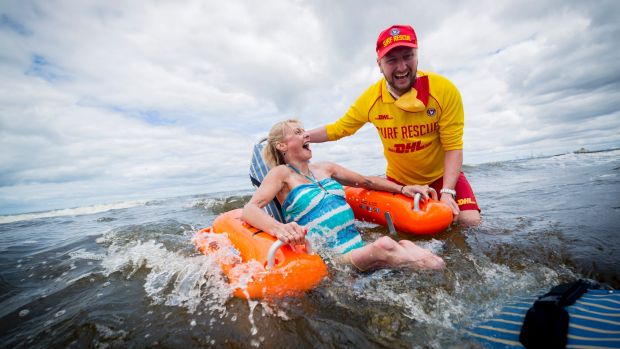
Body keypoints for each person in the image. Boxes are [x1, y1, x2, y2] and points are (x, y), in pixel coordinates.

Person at [306, 24, 481, 226]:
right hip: (399, 182)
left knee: (470, 222)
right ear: (379, 64)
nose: (401, 67)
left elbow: (453, 145)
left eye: (407, 56)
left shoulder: (443, 90)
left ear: (417, 56)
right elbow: (338, 129)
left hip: (443, 177)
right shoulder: (371, 99)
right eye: (391, 60)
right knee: (407, 233)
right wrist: (301, 137)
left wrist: (448, 192)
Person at [242, 119, 445, 271]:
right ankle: (437, 274)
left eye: (305, 131)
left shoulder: (326, 168)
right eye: (297, 132)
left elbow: (366, 181)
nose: (306, 135)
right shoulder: (281, 174)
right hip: (332, 259)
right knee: (385, 245)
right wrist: (280, 229)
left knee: (409, 247)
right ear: (281, 145)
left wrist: (403, 188)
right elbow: (250, 209)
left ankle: (435, 271)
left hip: (358, 246)